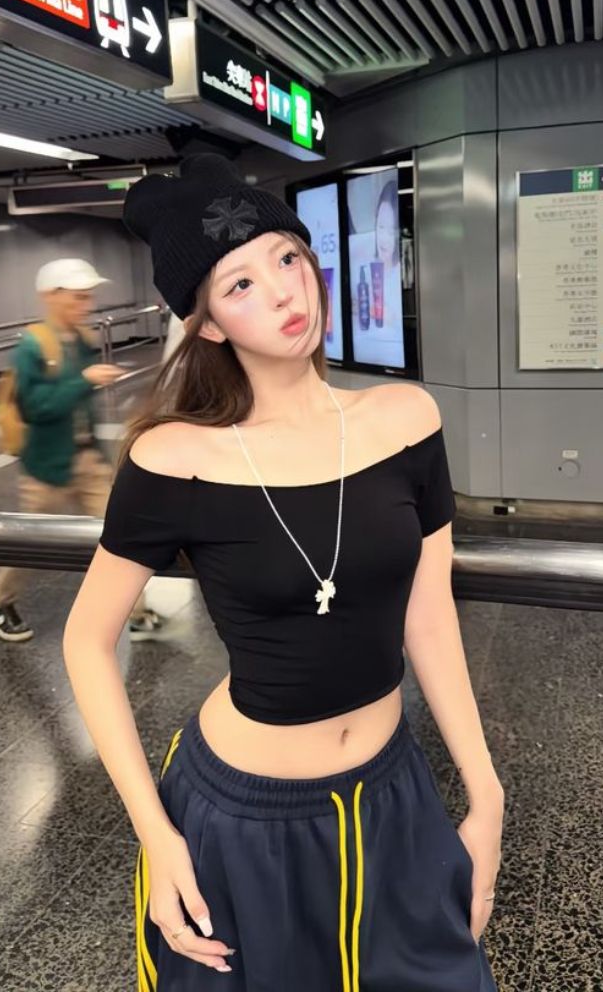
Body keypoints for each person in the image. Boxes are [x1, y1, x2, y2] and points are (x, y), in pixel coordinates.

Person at [63, 154, 503, 990]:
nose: (282, 293)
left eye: (287, 259)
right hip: (240, 818)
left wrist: (486, 796)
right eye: (239, 284)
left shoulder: (405, 418)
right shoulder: (174, 459)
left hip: (393, 793)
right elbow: (86, 640)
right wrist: (156, 833)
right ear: (208, 326)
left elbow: (428, 616)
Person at [0, 257, 160, 644]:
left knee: (119, 533)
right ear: (52, 296)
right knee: (30, 542)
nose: (86, 305)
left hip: (86, 459)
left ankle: (136, 612)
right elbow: (36, 407)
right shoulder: (33, 346)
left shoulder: (81, 340)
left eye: (88, 296)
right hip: (47, 466)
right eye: (78, 297)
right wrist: (84, 380)